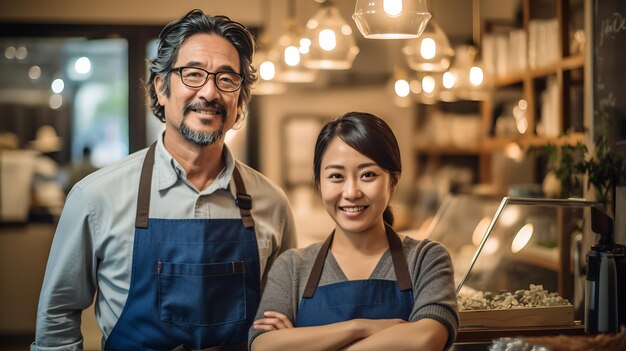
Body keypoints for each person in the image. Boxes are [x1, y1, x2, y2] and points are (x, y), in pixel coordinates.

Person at [32, 9, 297, 351]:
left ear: (240, 100)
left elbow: (286, 320)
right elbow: (57, 318)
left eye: (227, 79)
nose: (210, 92)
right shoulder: (95, 197)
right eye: (193, 74)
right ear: (161, 88)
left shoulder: (272, 205)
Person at [249, 112, 458, 351]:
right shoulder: (292, 267)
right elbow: (263, 346)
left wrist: (303, 342)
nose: (351, 192)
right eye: (336, 176)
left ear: (394, 181)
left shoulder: (426, 259)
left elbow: (426, 339)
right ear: (319, 183)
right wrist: (359, 327)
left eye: (367, 175)